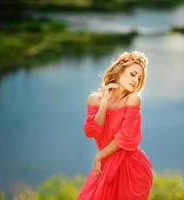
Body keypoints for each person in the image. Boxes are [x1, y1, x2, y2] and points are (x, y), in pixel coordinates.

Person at [77, 51, 154, 200]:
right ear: (120, 70)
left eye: (139, 78)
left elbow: (125, 137)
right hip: (104, 165)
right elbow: (93, 131)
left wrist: (99, 155)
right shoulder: (94, 99)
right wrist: (105, 101)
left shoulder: (133, 99)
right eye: (132, 74)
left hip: (130, 168)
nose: (136, 80)